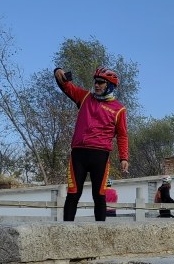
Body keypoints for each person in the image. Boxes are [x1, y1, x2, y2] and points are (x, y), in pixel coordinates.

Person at [53, 66, 129, 221]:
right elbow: (66, 86)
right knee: (73, 193)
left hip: (100, 156)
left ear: (110, 85)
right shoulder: (85, 97)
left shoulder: (119, 109)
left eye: (101, 82)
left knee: (99, 195)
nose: (96, 85)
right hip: (78, 154)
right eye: (96, 82)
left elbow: (122, 135)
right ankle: (66, 233)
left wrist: (124, 158)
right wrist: (57, 71)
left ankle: (99, 234)